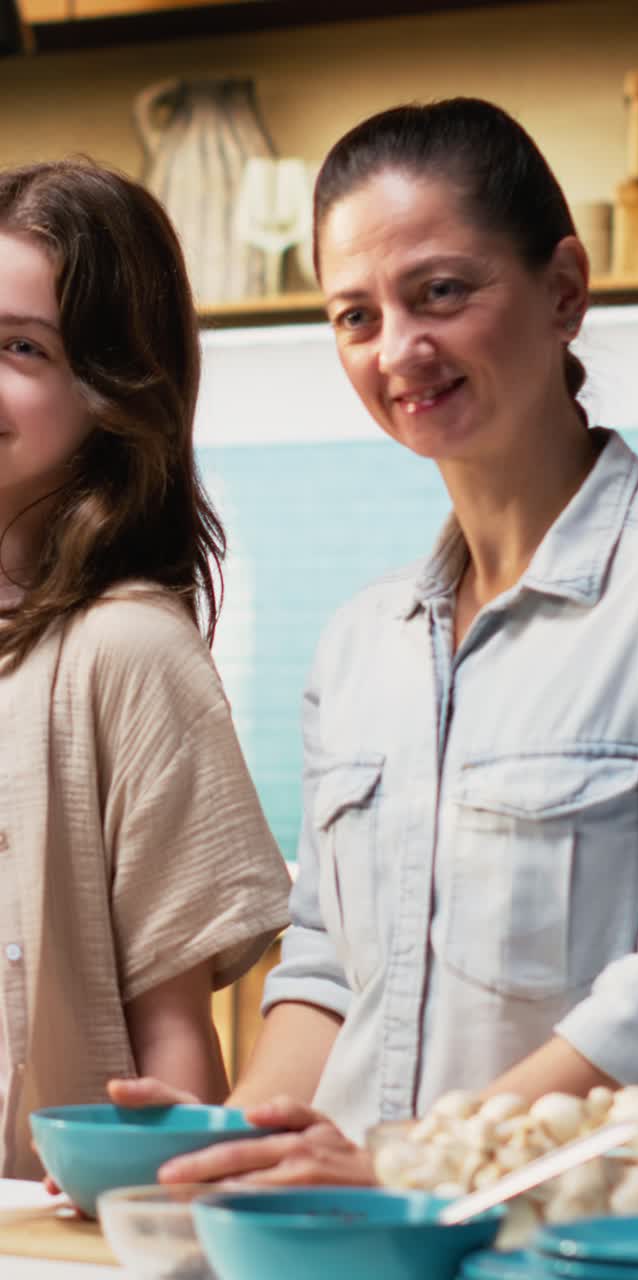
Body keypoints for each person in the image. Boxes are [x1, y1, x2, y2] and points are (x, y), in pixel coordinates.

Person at [116, 97, 638, 1186]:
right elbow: (328, 970)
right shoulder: (360, 647)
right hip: (356, 1241)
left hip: (580, 1244)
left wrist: (408, 1165)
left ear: (565, 290)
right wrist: (234, 1143)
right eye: (356, 315)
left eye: (441, 291)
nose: (401, 348)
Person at [0, 159, 291, 1178]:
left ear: (114, 389)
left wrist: (165, 1216)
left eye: (21, 348)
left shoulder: (127, 648)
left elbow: (172, 1032)